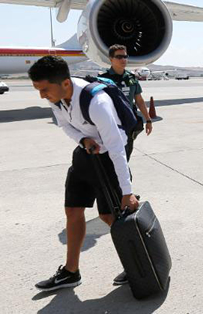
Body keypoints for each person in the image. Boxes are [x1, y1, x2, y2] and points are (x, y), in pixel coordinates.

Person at [29, 56, 139, 291]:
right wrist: (83, 138)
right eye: (38, 90)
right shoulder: (56, 98)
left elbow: (118, 148)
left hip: (108, 159)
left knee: (111, 217)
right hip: (85, 154)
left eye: (44, 89)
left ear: (66, 83)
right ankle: (71, 272)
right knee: (72, 209)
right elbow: (65, 125)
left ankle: (138, 266)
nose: (42, 96)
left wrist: (127, 192)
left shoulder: (96, 102)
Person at [99, 44, 152, 160]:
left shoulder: (131, 78)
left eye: (125, 56)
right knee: (109, 159)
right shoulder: (103, 80)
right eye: (119, 57)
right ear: (110, 59)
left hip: (129, 124)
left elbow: (139, 100)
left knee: (125, 157)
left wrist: (148, 120)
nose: (123, 59)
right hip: (111, 125)